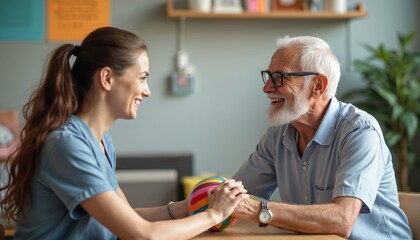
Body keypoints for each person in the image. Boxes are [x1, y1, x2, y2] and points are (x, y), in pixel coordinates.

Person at [0, 26, 249, 240]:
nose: (147, 91)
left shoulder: (100, 140)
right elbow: (140, 234)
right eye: (142, 78)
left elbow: (128, 218)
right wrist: (214, 214)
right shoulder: (67, 145)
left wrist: (189, 207)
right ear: (107, 78)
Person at [231, 36, 412, 239]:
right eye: (269, 76)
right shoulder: (278, 135)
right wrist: (191, 206)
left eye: (280, 77)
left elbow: (342, 220)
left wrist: (258, 209)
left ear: (318, 86)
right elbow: (229, 195)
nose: (267, 88)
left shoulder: (360, 131)